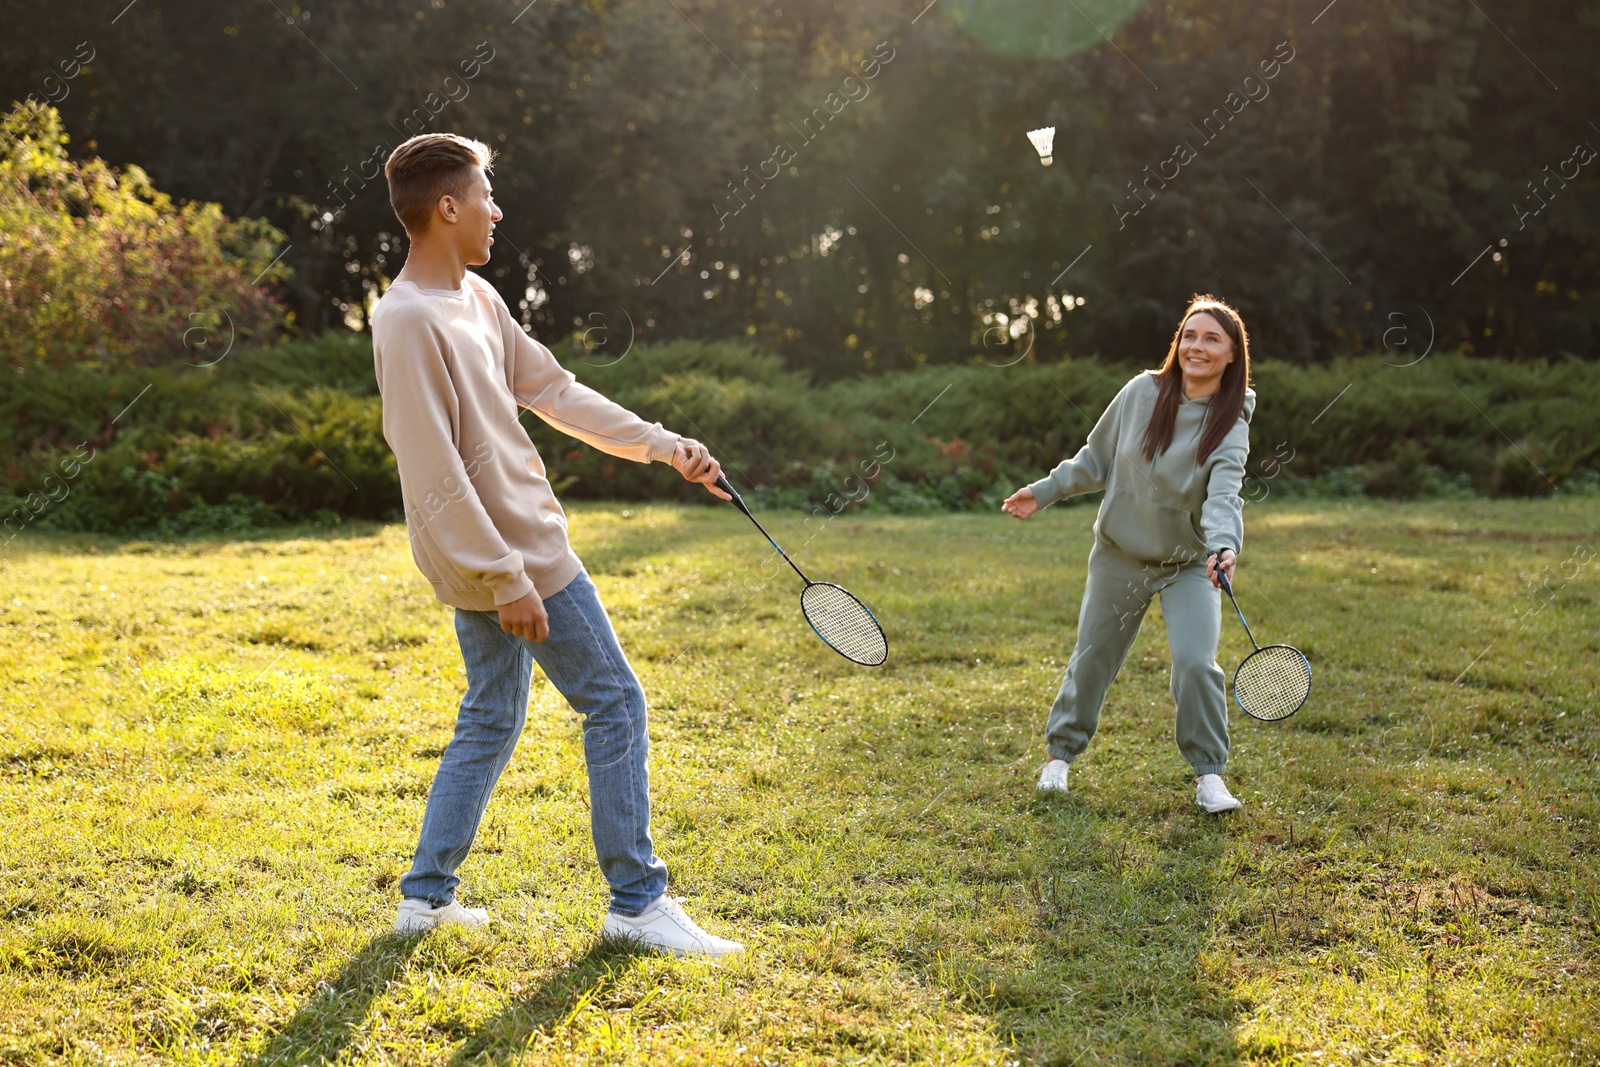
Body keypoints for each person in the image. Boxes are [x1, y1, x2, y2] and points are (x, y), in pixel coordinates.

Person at [371, 132, 742, 956]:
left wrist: (661, 443)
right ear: (447, 207)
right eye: (486, 196)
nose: (497, 211)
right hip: (516, 559)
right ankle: (637, 903)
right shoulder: (405, 320)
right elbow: (431, 467)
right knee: (615, 702)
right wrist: (507, 576)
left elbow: (554, 389)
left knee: (491, 715)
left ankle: (425, 897)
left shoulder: (478, 299)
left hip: (498, 559)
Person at [1001, 295, 1255, 814]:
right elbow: (1095, 459)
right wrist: (1044, 491)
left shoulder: (1230, 421)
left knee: (1195, 663)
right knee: (1092, 658)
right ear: (1177, 343)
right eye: (1190, 335)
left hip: (1186, 565)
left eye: (1212, 339)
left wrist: (1224, 545)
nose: (1196, 347)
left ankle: (1209, 775)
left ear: (1232, 355)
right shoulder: (1143, 392)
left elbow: (1224, 494)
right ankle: (1059, 759)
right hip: (1120, 555)